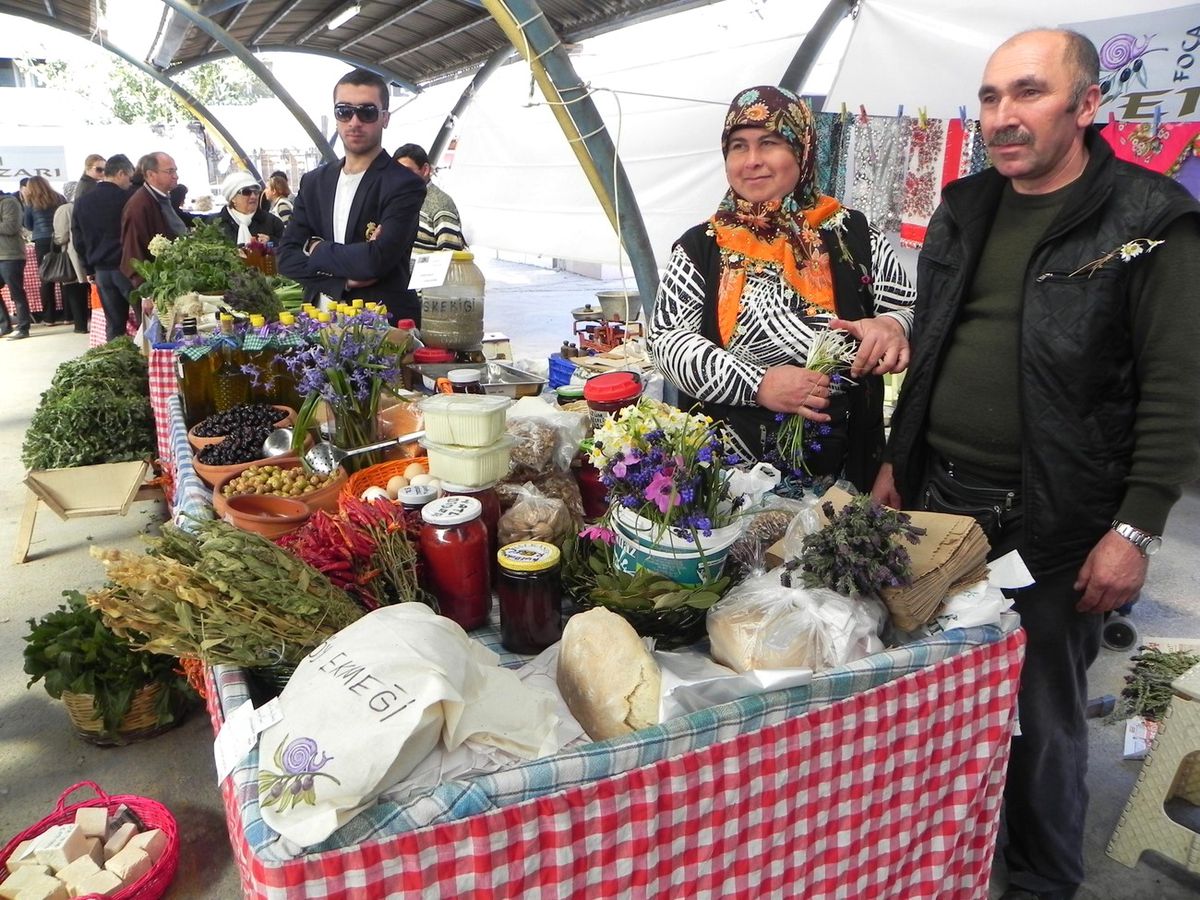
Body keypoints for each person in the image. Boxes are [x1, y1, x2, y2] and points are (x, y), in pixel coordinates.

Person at [874, 30, 1200, 899]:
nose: (1003, 118)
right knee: (942, 700)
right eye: (989, 98)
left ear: (1087, 105)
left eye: (1028, 93)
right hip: (944, 503)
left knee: (1047, 724)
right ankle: (942, 864)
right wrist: (897, 464)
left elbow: (1175, 389)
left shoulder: (1147, 220)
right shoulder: (966, 204)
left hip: (1059, 520)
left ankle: (1043, 880)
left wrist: (1134, 527)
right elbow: (935, 341)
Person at [648, 85, 914, 491]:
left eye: (768, 143)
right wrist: (759, 383)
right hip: (726, 477)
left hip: (846, 470)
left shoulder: (854, 236)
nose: (752, 161)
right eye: (738, 146)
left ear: (801, 149)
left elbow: (914, 314)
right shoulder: (701, 246)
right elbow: (668, 342)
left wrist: (893, 325)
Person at [277, 67, 426, 324]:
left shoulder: (404, 184)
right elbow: (286, 257)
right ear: (335, 116)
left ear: (385, 118)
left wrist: (315, 247)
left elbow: (374, 262)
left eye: (367, 112)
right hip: (319, 323)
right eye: (344, 111)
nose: (354, 122)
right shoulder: (314, 182)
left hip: (383, 327)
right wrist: (341, 280)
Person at [73, 154, 135, 342]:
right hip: (128, 269)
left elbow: (78, 239)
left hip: (101, 271)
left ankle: (117, 365)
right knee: (145, 321)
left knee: (114, 326)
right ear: (121, 173)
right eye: (129, 177)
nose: (130, 182)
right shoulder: (128, 199)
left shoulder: (83, 202)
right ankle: (149, 365)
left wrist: (88, 268)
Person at [120, 152, 186, 327]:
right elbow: (133, 254)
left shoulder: (161, 199)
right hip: (156, 293)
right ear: (150, 174)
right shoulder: (139, 206)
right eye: (169, 171)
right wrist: (146, 294)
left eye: (176, 170)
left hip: (171, 286)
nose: (175, 175)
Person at [393, 143, 466, 251]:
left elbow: (451, 256)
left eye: (407, 171)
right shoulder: (395, 199)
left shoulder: (441, 205)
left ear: (425, 170)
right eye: (397, 171)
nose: (401, 177)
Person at [22, 175, 67, 325]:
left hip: (41, 241)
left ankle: (49, 318)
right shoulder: (59, 198)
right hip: (59, 238)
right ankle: (68, 315)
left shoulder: (30, 202)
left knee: (46, 278)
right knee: (65, 275)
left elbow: (28, 225)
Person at [215, 170, 283, 246]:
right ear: (232, 198)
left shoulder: (273, 223)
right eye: (246, 192)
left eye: (256, 191)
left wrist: (271, 242)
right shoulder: (215, 224)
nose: (253, 196)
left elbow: (288, 249)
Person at [53, 199, 90, 333]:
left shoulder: (64, 209)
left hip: (72, 254)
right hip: (89, 252)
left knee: (74, 290)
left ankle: (80, 325)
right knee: (87, 289)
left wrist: (54, 240)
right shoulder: (86, 204)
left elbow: (61, 236)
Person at [0, 187, 32, 339]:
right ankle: (4, 326)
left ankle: (23, 327)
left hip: (10, 254)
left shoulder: (9, 202)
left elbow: (11, 227)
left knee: (16, 292)